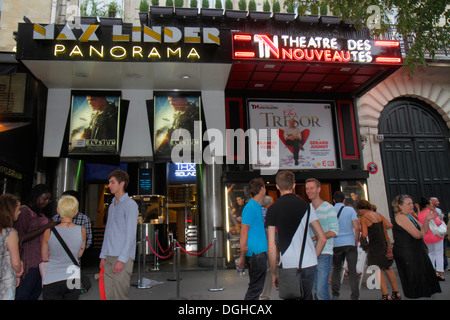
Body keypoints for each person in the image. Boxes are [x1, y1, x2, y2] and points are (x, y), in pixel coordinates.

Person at [266, 171, 326, 300]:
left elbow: (271, 246)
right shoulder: (307, 207)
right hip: (309, 263)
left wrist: (273, 273)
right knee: (307, 296)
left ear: (277, 186)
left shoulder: (272, 209)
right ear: (293, 185)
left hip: (287, 264)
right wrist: (312, 257)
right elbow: (322, 238)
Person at [391, 194, 441, 299]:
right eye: (408, 204)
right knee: (414, 278)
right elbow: (418, 234)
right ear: (400, 206)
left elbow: (423, 230)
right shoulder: (400, 217)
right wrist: (422, 231)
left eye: (412, 203)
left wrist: (427, 219)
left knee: (421, 277)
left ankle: (421, 294)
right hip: (408, 252)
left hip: (416, 250)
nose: (411, 205)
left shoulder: (410, 216)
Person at [99, 169, 139, 300]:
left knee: (120, 295)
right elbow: (108, 232)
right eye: (109, 182)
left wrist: (122, 259)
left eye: (112, 182)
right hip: (109, 256)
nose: (109, 185)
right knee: (109, 295)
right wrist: (103, 256)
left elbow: (131, 235)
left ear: (122, 184)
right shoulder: (112, 205)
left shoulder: (130, 205)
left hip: (122, 257)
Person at [13, 184, 57, 300]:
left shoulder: (40, 212)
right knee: (24, 294)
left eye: (49, 200)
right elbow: (21, 238)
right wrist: (46, 227)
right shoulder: (24, 212)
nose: (46, 202)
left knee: (36, 293)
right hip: (29, 261)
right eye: (44, 198)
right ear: (36, 196)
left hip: (41, 261)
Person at [41, 195, 86, 300]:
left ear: (58, 211)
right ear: (76, 212)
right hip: (72, 277)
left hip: (52, 277)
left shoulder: (49, 232)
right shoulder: (82, 231)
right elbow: (79, 254)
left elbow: (44, 257)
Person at [357, 200, 401, 300]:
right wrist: (380, 229)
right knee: (388, 268)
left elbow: (364, 234)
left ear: (361, 209)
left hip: (374, 246)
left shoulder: (364, 218)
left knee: (377, 269)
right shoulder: (377, 214)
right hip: (383, 244)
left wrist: (361, 240)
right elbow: (390, 225)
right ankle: (396, 292)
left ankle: (385, 295)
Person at [305, 178, 339, 300]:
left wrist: (316, 237)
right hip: (309, 254)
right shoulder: (307, 208)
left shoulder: (328, 208)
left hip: (324, 253)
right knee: (314, 290)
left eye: (312, 188)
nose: (309, 191)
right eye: (307, 188)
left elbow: (334, 231)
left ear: (319, 189)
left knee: (320, 290)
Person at [237, 178, 268, 300]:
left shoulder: (256, 206)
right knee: (255, 289)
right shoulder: (251, 207)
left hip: (257, 253)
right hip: (256, 254)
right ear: (261, 189)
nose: (265, 189)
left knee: (256, 288)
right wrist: (242, 257)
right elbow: (243, 232)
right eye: (264, 187)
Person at [330, 191, 360, 300]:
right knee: (352, 270)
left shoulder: (331, 211)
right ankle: (355, 296)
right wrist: (356, 240)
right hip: (349, 243)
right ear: (344, 200)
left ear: (333, 200)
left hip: (336, 244)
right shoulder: (350, 210)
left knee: (337, 269)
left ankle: (335, 294)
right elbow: (356, 227)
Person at [0, 194, 23, 300]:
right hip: (5, 283)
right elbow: (16, 263)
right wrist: (18, 271)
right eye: (18, 209)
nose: (20, 212)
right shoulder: (10, 233)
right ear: (10, 211)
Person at [418, 197, 445, 281]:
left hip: (426, 236)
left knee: (431, 253)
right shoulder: (429, 212)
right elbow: (438, 222)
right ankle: (439, 272)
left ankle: (431, 270)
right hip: (435, 235)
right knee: (439, 253)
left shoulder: (420, 213)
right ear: (428, 204)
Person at [260, 195, 273, 300]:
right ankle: (265, 295)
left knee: (259, 270)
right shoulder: (269, 213)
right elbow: (270, 231)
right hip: (267, 244)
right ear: (268, 204)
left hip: (258, 245)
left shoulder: (257, 211)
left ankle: (258, 292)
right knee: (268, 270)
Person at [430, 196, 448, 271]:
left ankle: (444, 265)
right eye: (436, 201)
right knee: (434, 251)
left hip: (441, 232)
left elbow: (441, 220)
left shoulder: (439, 210)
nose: (438, 203)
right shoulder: (428, 212)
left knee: (441, 250)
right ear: (432, 202)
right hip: (433, 233)